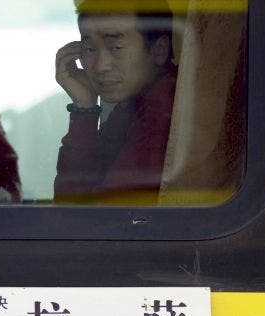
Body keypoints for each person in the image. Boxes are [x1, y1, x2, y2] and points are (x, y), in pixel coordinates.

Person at [54, 0, 177, 204]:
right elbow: (70, 205)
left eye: (116, 47)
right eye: (90, 49)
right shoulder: (132, 105)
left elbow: (99, 217)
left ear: (159, 50)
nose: (101, 67)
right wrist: (85, 106)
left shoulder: (164, 106)